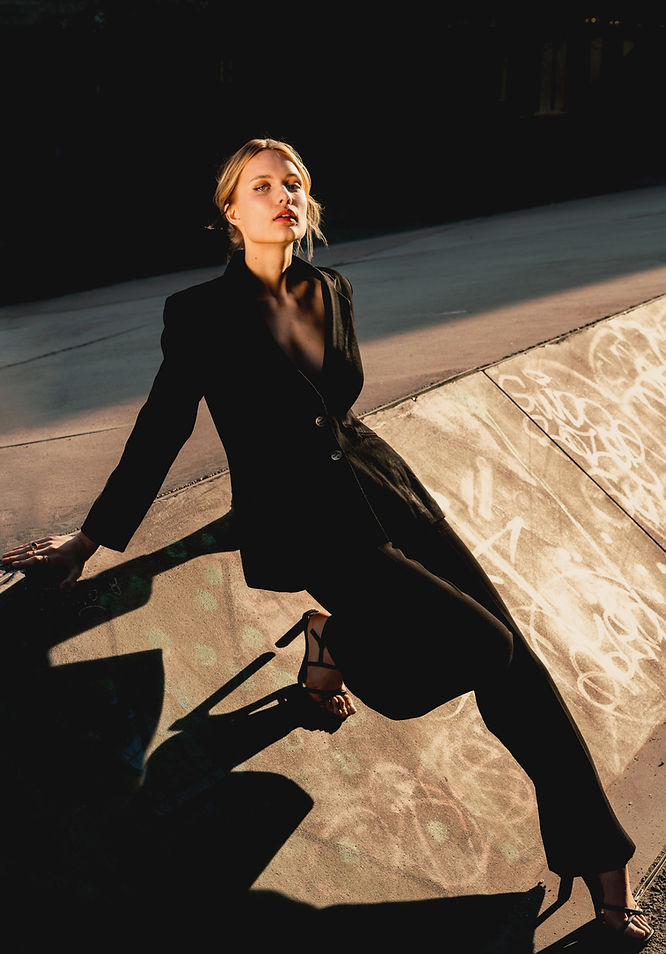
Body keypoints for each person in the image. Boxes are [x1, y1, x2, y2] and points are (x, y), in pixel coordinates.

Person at [2, 138, 652, 946]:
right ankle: (337, 639)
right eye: (263, 185)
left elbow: (332, 408)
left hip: (387, 488)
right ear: (230, 212)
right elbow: (163, 425)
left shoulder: (331, 288)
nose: (284, 195)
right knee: (488, 650)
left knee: (519, 664)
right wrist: (92, 540)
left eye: (295, 183)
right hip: (303, 519)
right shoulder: (198, 313)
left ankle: (603, 869)